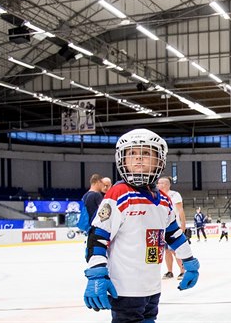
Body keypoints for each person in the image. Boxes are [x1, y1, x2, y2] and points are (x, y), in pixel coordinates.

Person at [82, 129, 199, 322]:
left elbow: (174, 235)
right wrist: (96, 273)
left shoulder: (163, 200)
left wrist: (189, 262)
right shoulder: (118, 194)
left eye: (145, 153)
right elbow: (97, 236)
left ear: (159, 160)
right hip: (125, 287)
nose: (138, 159)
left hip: (152, 286)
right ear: (123, 160)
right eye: (132, 154)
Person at [157, 176, 186, 280]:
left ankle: (183, 270)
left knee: (176, 250)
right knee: (167, 251)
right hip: (162, 228)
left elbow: (180, 210)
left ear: (165, 184)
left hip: (174, 226)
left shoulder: (174, 195)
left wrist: (183, 225)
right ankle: (170, 271)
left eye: (160, 183)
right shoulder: (157, 195)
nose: (158, 185)